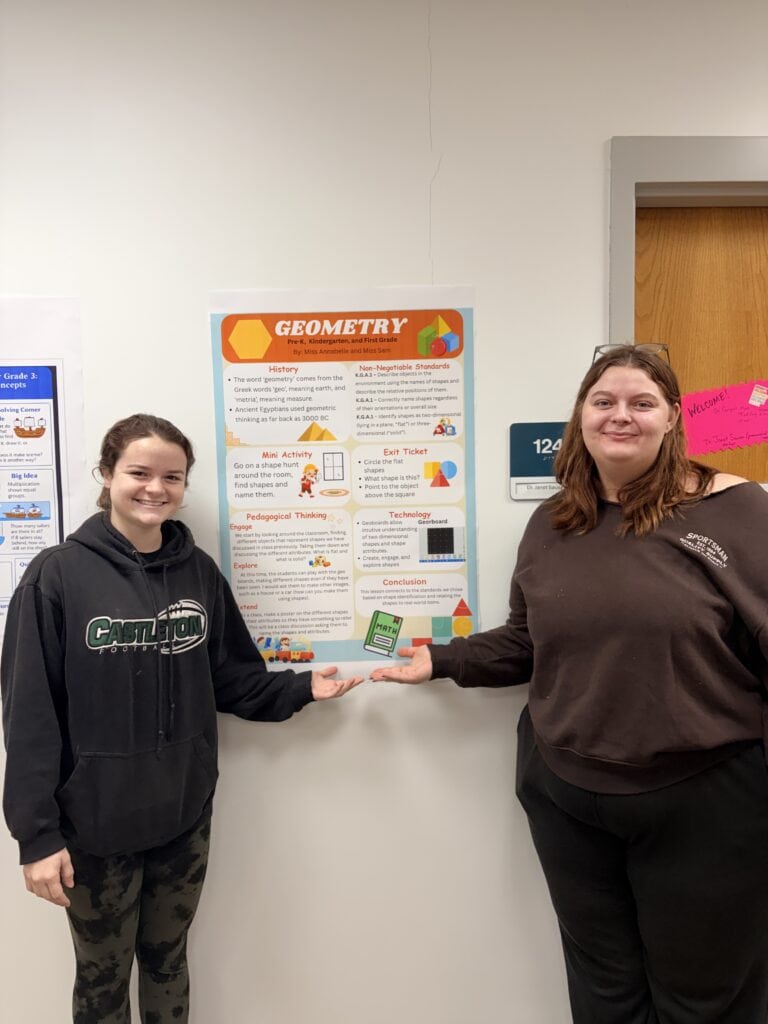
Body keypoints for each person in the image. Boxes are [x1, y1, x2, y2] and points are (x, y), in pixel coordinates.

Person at [372, 345, 768, 1024]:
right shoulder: (555, 520)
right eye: (604, 401)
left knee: (707, 998)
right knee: (604, 994)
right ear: (581, 417)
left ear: (673, 417)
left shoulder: (736, 510)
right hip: (568, 796)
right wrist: (441, 660)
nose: (622, 416)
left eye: (642, 403)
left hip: (705, 800)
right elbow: (530, 642)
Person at [1, 413, 363, 1024]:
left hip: (181, 815)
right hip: (94, 824)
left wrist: (301, 688)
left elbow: (230, 675)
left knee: (169, 961)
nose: (155, 488)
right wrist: (36, 835)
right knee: (102, 979)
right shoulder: (56, 575)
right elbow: (29, 713)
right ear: (107, 475)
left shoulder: (197, 573)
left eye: (172, 476)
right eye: (138, 473)